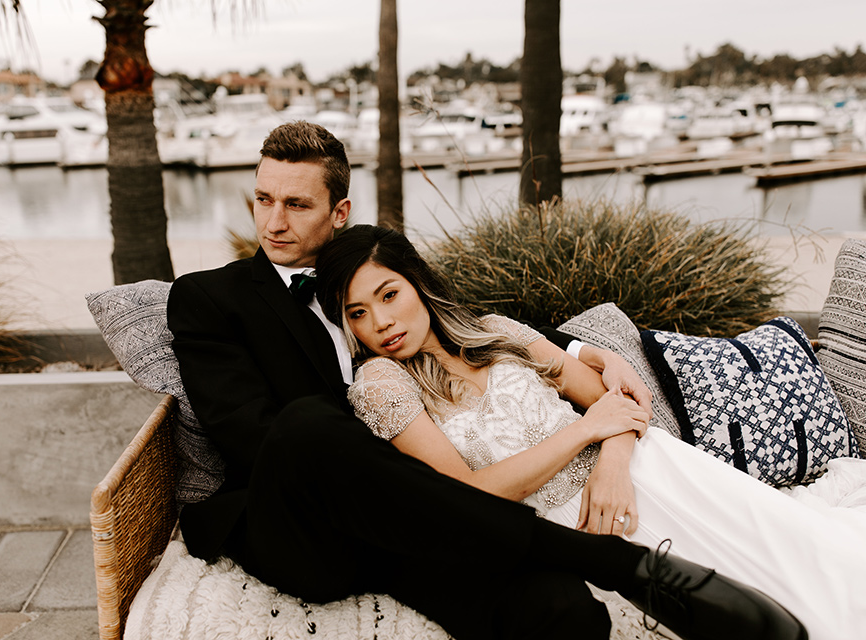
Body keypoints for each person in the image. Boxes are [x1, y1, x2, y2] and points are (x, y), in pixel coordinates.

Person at [167, 121, 806, 640]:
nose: (272, 222)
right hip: (300, 519)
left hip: (416, 524)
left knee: (562, 613)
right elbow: (252, 437)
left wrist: (588, 348)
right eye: (263, 199)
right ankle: (618, 564)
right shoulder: (209, 299)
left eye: (295, 204)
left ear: (339, 212)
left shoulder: (382, 281)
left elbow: (473, 331)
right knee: (308, 422)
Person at [314, 223, 866, 640]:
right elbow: (465, 497)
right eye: (357, 313)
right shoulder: (380, 385)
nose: (381, 322)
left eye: (389, 295)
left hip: (643, 469)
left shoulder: (494, 331)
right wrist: (583, 437)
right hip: (573, 525)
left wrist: (612, 460)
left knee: (805, 553)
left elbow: (613, 402)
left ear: (417, 282)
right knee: (739, 608)